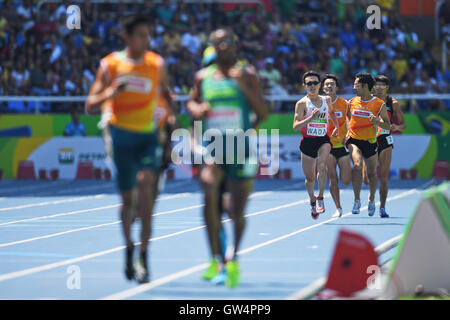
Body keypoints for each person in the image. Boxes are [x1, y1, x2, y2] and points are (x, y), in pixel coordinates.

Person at [85, 15, 175, 284]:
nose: (146, 40)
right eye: (140, 35)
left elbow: (166, 96)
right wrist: (110, 94)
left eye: (148, 35)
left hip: (147, 137)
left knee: (147, 193)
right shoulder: (110, 65)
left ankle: (144, 258)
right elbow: (90, 105)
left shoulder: (156, 64)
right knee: (128, 201)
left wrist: (170, 124)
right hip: (120, 135)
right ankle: (129, 249)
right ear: (127, 37)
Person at [187, 28, 268, 288]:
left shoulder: (247, 74)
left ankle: (233, 259)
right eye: (217, 43)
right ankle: (215, 258)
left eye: (227, 42)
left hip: (240, 149)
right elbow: (191, 106)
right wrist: (197, 110)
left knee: (236, 211)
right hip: (213, 149)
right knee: (209, 190)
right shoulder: (203, 77)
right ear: (212, 47)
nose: (222, 46)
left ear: (235, 45)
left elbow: (264, 111)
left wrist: (248, 127)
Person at [293, 71, 339, 219]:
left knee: (322, 165)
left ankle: (320, 197)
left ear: (320, 85)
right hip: (307, 142)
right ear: (304, 86)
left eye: (315, 83)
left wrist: (336, 126)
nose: (312, 86)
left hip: (323, 139)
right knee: (310, 178)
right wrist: (310, 118)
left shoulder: (326, 100)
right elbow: (295, 126)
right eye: (309, 83)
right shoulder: (301, 104)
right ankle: (312, 199)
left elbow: (331, 113)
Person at [346, 72, 391, 216]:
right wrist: (348, 130)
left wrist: (377, 122)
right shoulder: (352, 102)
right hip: (354, 140)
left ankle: (371, 199)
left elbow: (388, 125)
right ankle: (357, 200)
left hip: (371, 141)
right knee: (357, 166)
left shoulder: (378, 104)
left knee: (371, 174)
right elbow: (348, 117)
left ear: (365, 86)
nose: (354, 87)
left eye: (356, 85)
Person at [362, 75, 406, 218]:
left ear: (387, 87)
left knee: (383, 176)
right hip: (369, 139)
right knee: (367, 178)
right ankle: (371, 198)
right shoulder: (368, 100)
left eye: (383, 85)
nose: (379, 87)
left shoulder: (393, 103)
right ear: (373, 87)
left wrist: (396, 126)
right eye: (377, 85)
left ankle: (382, 207)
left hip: (386, 140)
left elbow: (403, 125)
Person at [321, 74, 351, 218]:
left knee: (345, 181)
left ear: (337, 87)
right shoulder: (318, 103)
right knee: (333, 178)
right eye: (326, 84)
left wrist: (349, 135)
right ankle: (338, 208)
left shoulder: (345, 103)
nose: (329, 86)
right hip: (327, 146)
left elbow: (353, 122)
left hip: (342, 145)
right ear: (323, 88)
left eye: (332, 84)